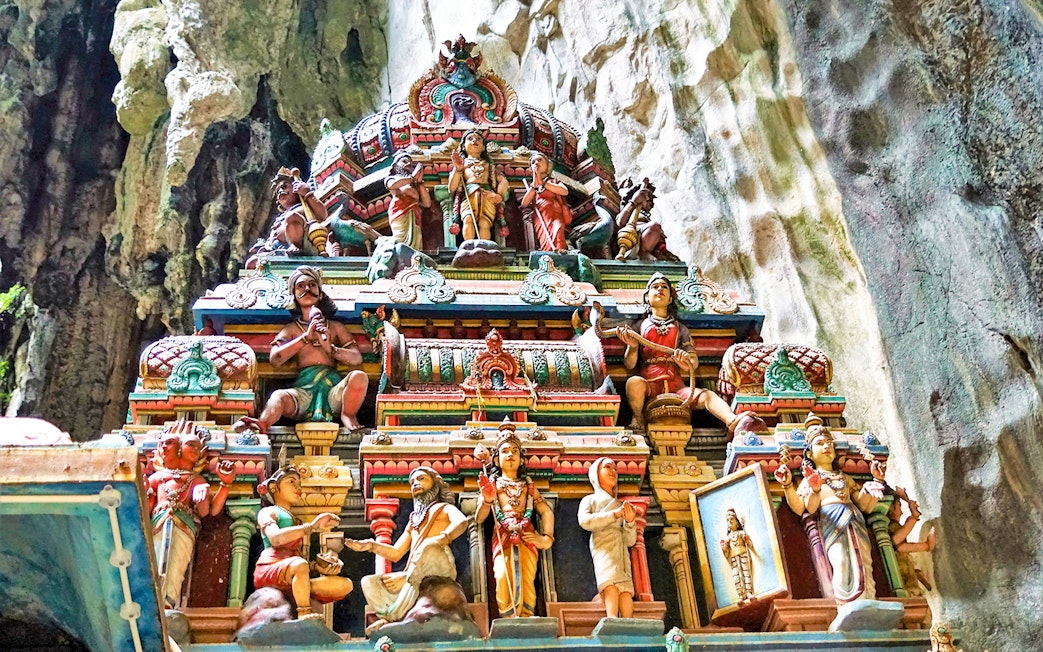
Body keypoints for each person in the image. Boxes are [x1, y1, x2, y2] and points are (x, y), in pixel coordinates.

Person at [616, 273, 764, 433]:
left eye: (664, 287)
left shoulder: (680, 328)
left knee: (707, 395)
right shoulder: (639, 326)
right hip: (650, 384)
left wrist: (685, 362)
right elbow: (630, 364)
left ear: (671, 299)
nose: (660, 290)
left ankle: (731, 420)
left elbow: (693, 361)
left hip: (676, 386)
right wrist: (631, 347)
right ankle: (638, 417)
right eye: (655, 287)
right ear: (646, 297)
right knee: (634, 382)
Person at [233, 266, 368, 433]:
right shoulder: (291, 330)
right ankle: (261, 424)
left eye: (312, 285)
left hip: (334, 391)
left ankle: (348, 415)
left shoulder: (335, 327)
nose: (307, 289)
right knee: (278, 396)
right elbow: (275, 359)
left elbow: (356, 358)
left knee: (359, 377)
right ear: (294, 295)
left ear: (320, 293)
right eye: (301, 286)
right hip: (303, 392)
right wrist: (304, 339)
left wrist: (331, 349)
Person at [774, 413, 886, 602]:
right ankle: (845, 603)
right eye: (820, 444)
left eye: (829, 444)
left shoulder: (844, 478)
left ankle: (869, 600)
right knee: (840, 560)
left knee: (864, 561)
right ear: (809, 454)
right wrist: (789, 485)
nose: (827, 447)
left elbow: (864, 505)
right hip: (831, 522)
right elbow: (803, 508)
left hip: (854, 520)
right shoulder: (810, 478)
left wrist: (876, 482)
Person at [346, 467, 468, 633]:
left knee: (428, 545)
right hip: (416, 569)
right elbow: (396, 553)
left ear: (435, 485)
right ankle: (388, 617)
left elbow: (461, 522)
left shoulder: (443, 508)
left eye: (422, 479)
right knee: (369, 582)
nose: (415, 484)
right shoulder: (414, 520)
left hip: (437, 561)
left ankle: (400, 599)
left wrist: (442, 538)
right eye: (412, 482)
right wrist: (371, 545)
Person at [146, 419, 236, 608]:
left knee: (175, 563)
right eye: (163, 444)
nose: (164, 448)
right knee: (153, 561)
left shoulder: (196, 480)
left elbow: (207, 511)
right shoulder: (157, 478)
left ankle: (168, 601)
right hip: (157, 525)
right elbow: (145, 510)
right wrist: (143, 491)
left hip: (184, 527)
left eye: (169, 443)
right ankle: (152, 602)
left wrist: (224, 485)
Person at [474, 422, 554, 618]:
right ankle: (508, 616)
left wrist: (546, 538)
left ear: (521, 460)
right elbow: (479, 518)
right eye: (505, 451)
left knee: (527, 576)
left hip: (527, 533)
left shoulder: (527, 486)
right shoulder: (493, 485)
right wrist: (486, 500)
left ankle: (526, 615)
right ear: (496, 459)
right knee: (502, 575)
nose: (510, 455)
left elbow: (546, 511)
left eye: (515, 451)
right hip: (503, 535)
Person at [254, 466, 353, 620]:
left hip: (293, 571)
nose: (297, 487)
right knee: (300, 565)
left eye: (299, 484)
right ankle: (304, 614)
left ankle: (301, 591)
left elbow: (299, 558)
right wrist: (311, 527)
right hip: (270, 567)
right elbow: (276, 538)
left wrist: (317, 566)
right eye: (291, 482)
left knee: (345, 585)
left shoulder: (296, 520)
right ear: (274, 487)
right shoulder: (268, 512)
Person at [577, 457, 637, 618]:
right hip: (603, 545)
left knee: (625, 587)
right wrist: (614, 515)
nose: (613, 472)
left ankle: (628, 621)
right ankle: (612, 618)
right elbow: (585, 521)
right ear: (596, 474)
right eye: (608, 467)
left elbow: (630, 540)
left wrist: (630, 522)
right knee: (610, 583)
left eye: (615, 469)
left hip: (621, 550)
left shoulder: (620, 504)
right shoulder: (590, 500)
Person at [246, 168, 328, 269]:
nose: (281, 191)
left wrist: (307, 193)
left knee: (292, 217)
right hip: (278, 250)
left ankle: (295, 245)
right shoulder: (280, 218)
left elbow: (322, 215)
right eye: (278, 191)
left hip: (303, 246)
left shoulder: (304, 207)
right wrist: (265, 247)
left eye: (284, 187)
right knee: (251, 263)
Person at [448, 130, 508, 242]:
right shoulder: (462, 163)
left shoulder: (488, 164)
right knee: (468, 219)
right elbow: (451, 188)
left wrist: (498, 195)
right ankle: (468, 245)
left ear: (484, 147)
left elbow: (503, 181)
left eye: (478, 139)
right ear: (463, 147)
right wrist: (458, 169)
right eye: (470, 139)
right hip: (469, 194)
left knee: (485, 223)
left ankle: (484, 246)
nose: (474, 140)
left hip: (487, 195)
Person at [888, 486, 936, 596]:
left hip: (905, 569)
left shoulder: (893, 525)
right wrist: (913, 517)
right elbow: (896, 542)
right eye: (898, 506)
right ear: (891, 509)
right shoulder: (891, 525)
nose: (900, 511)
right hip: (901, 576)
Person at [520, 152, 571, 253]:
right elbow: (524, 203)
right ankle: (548, 251)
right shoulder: (533, 187)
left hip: (555, 212)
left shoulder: (553, 181)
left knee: (558, 228)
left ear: (548, 165)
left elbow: (564, 191)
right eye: (533, 162)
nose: (536, 163)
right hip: (542, 215)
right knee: (545, 236)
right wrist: (535, 184)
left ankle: (560, 250)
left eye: (539, 160)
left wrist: (542, 182)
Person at [385, 151, 431, 250]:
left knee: (416, 241)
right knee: (400, 238)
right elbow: (392, 185)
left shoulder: (414, 185)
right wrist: (412, 178)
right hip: (400, 212)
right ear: (395, 166)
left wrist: (419, 183)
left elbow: (427, 203)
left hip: (415, 215)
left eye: (410, 163)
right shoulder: (393, 178)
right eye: (404, 161)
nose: (408, 164)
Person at [719, 508, 755, 604]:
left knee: (746, 573)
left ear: (737, 522)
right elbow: (726, 554)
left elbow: (750, 545)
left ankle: (748, 593)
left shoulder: (741, 533)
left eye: (732, 519)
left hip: (743, 554)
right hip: (734, 557)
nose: (730, 521)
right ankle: (740, 595)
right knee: (736, 576)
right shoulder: (728, 538)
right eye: (728, 520)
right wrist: (724, 548)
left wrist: (746, 539)